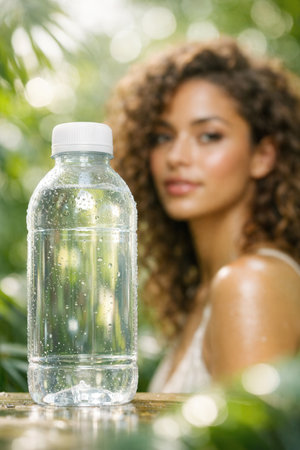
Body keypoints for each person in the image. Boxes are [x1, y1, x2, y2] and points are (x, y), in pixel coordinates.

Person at [107, 37, 300, 393]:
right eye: (162, 137)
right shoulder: (205, 291)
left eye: (209, 136)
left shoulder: (250, 284)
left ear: (263, 155)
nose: (177, 156)